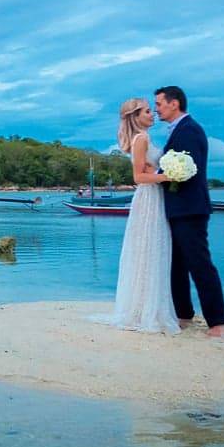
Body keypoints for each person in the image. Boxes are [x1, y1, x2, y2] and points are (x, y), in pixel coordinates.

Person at [95, 98, 180, 334]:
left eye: (152, 110)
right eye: (147, 111)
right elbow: (138, 177)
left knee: (152, 249)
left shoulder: (144, 138)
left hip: (155, 196)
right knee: (148, 248)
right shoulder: (141, 139)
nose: (152, 114)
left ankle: (146, 305)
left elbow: (147, 169)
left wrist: (159, 171)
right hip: (149, 198)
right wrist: (168, 176)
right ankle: (144, 309)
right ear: (135, 116)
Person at [154, 85, 224, 337]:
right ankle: (183, 314)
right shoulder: (180, 129)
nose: (156, 109)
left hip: (190, 207)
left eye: (159, 104)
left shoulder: (189, 130)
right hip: (178, 208)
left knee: (199, 264)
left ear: (174, 103)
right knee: (177, 264)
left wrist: (157, 176)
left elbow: (189, 169)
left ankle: (218, 322)